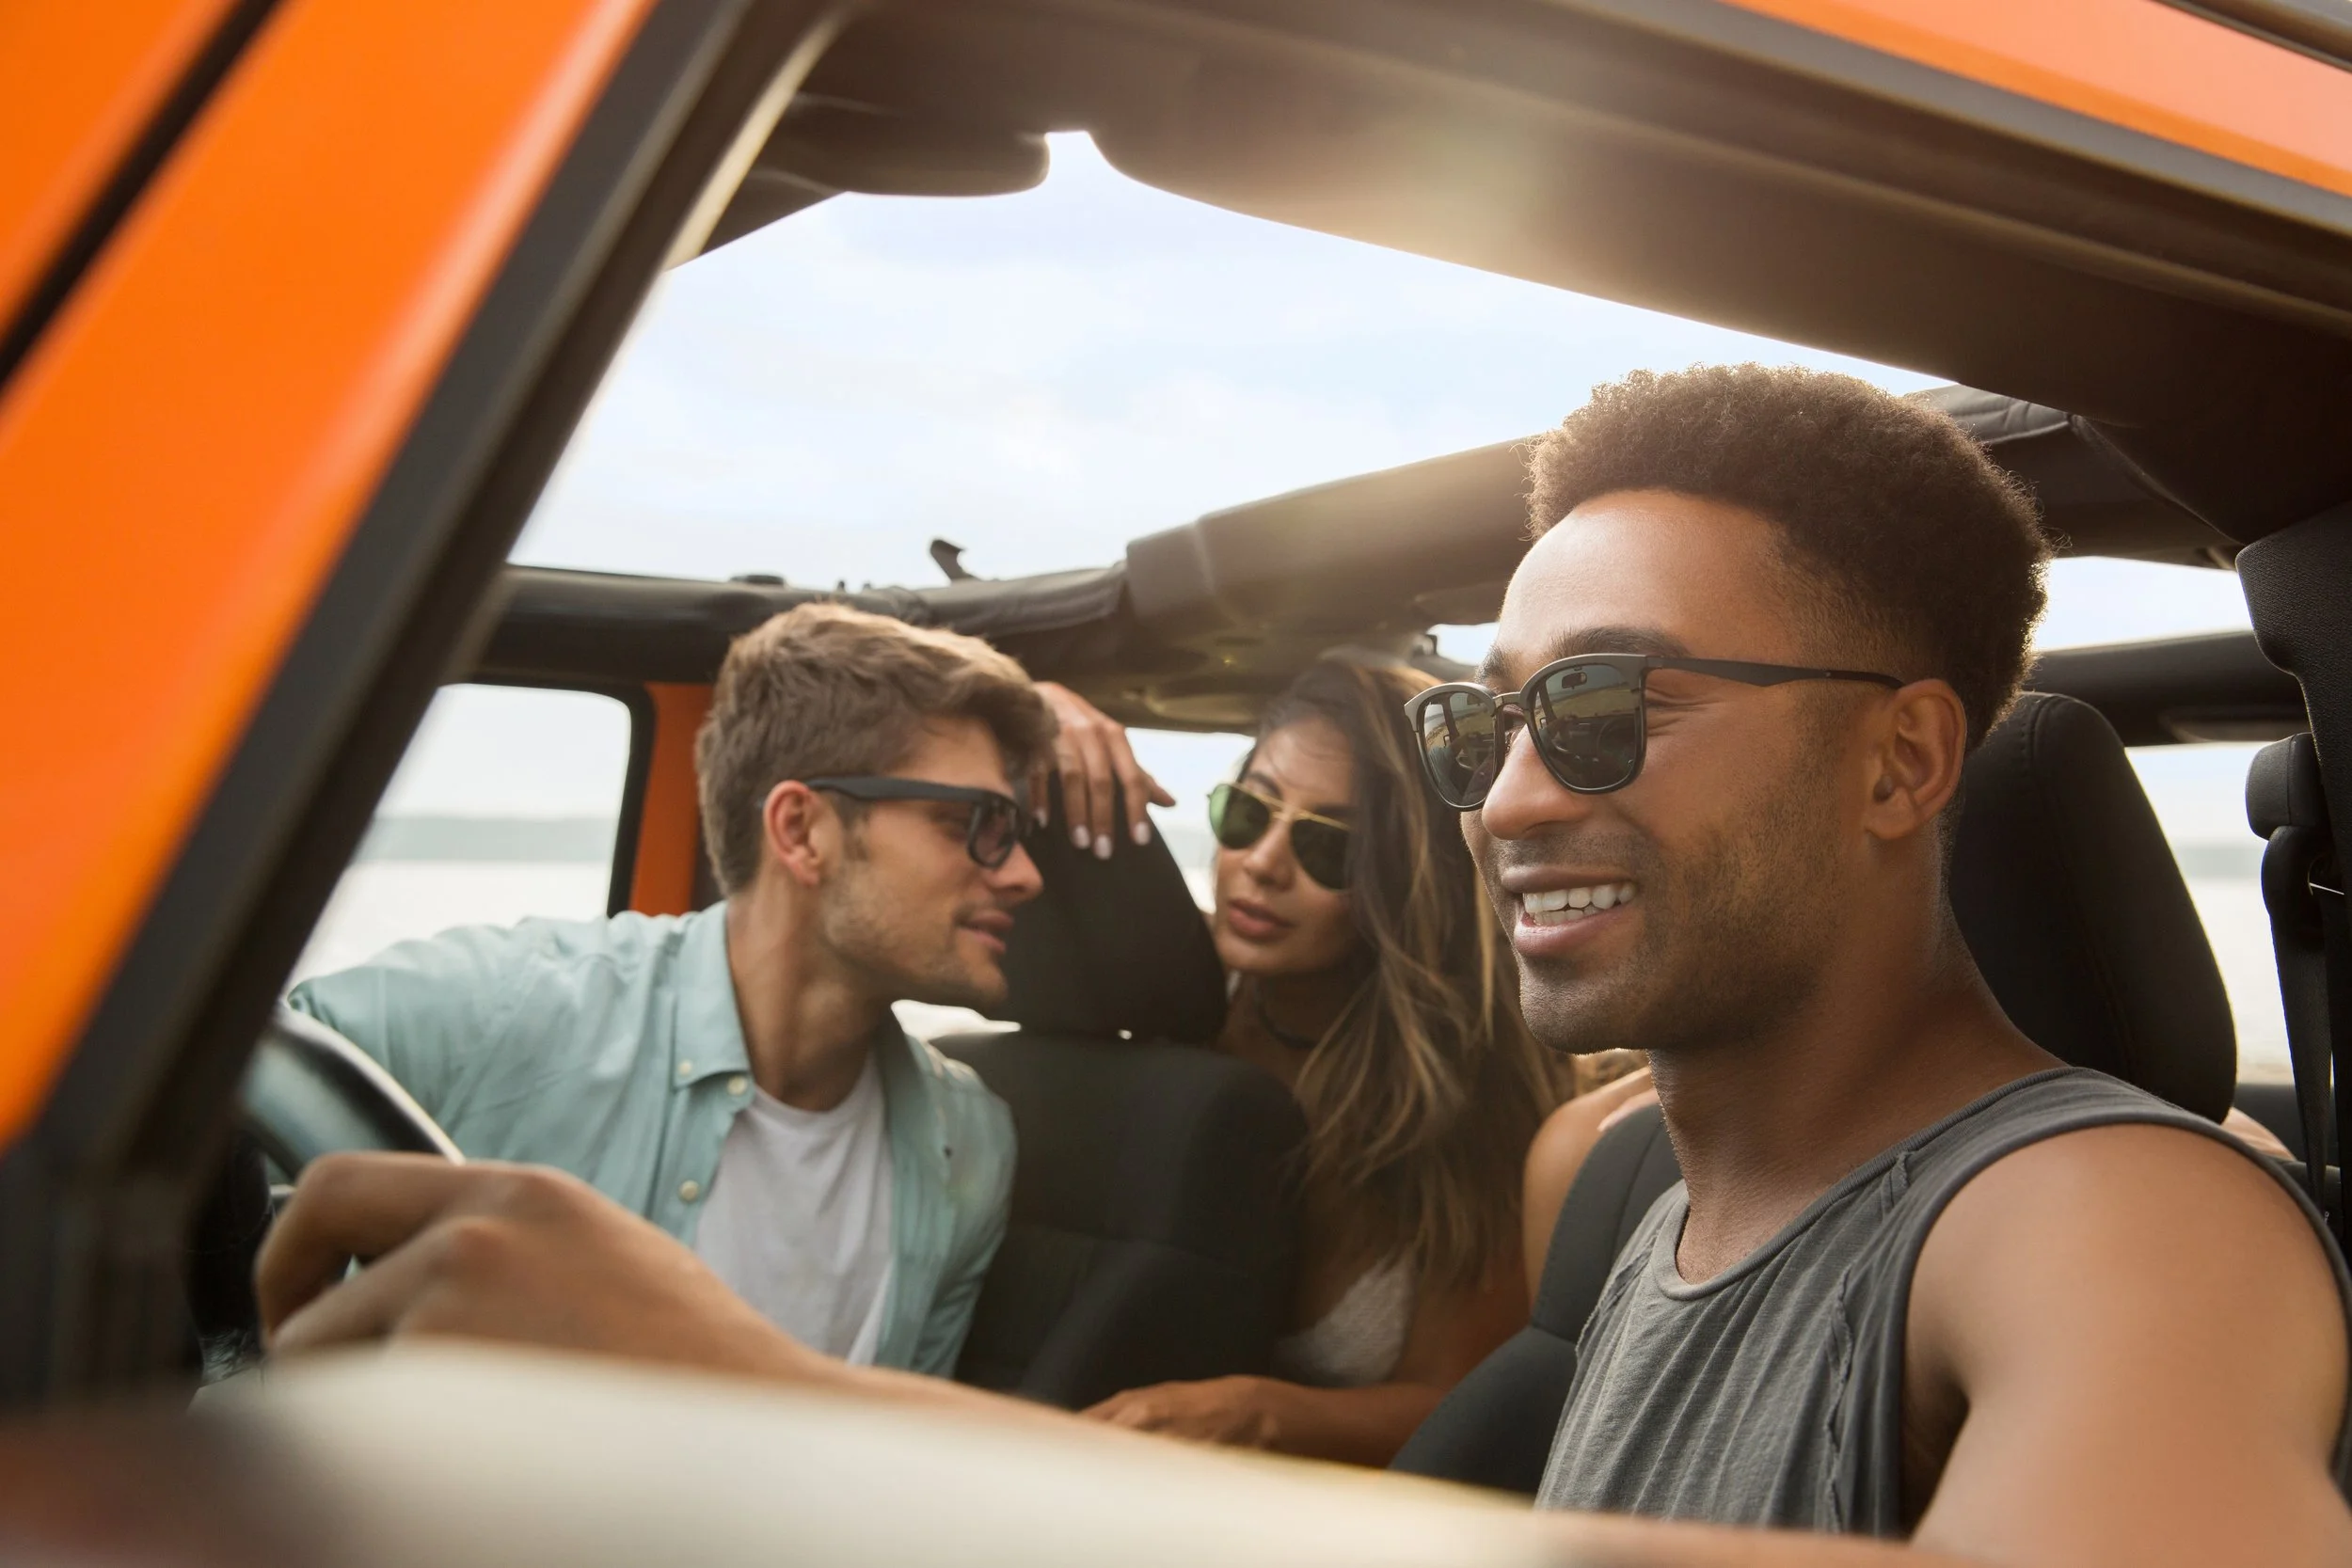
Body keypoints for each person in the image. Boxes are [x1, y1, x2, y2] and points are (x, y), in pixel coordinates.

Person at [255, 366, 2352, 1565]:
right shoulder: (1607, 1178)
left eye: (1606, 705)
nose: (1510, 799)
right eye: (1486, 722)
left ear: (1901, 757)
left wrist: (785, 1418)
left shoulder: (2113, 1210)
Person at [283, 601, 1053, 1376]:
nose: (1023, 874)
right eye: (972, 823)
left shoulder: (971, 1147)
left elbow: (896, 1464)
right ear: (801, 830)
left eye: (1014, 829)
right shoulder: (514, 1009)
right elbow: (215, 1083)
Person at [1065, 658, 1563, 1465]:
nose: (1261, 861)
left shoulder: (1470, 1107)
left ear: (1407, 876)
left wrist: (1259, 1412)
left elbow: (1455, 1407)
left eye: (1326, 846)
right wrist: (1040, 710)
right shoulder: (1163, 995)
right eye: (1246, 811)